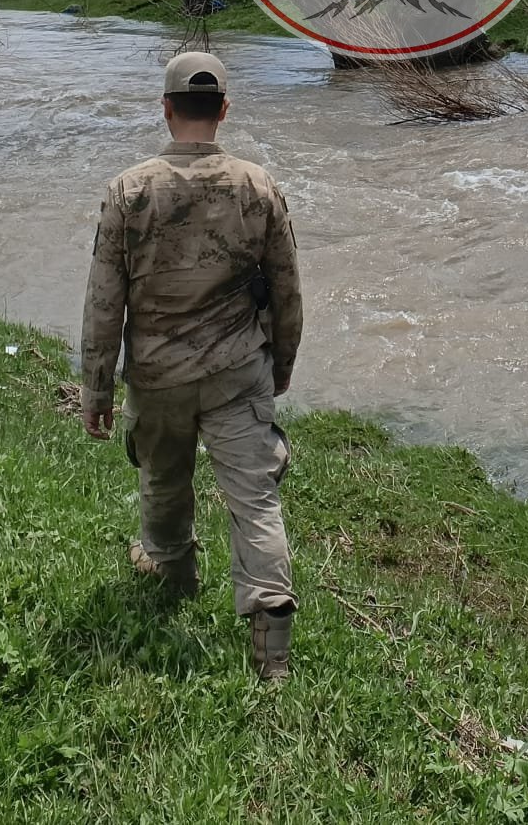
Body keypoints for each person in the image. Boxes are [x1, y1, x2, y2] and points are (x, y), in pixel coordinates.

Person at [79, 50, 305, 680]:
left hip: (158, 373)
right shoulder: (259, 186)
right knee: (255, 498)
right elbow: (287, 288)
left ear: (167, 108)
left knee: (163, 478)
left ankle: (172, 570)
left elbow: (104, 299)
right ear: (224, 110)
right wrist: (281, 363)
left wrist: (96, 386)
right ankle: (271, 637)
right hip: (240, 369)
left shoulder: (129, 190)